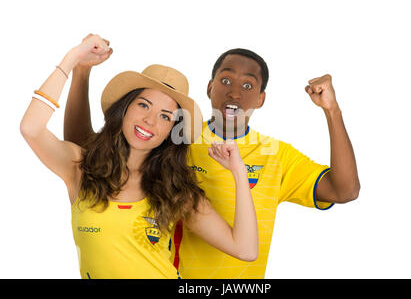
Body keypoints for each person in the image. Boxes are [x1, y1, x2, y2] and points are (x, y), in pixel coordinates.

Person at [65, 37, 360, 279]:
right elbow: (87, 154)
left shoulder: (276, 155)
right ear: (209, 88)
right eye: (226, 81)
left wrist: (332, 111)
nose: (234, 93)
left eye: (248, 86)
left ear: (261, 99)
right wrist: (81, 72)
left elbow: (344, 190)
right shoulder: (175, 142)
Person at [20, 35, 258, 279]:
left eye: (165, 116)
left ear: (171, 132)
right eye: (144, 105)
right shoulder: (80, 167)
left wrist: (239, 171)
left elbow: (246, 249)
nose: (150, 121)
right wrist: (72, 60)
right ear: (125, 107)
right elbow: (31, 128)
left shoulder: (176, 191)